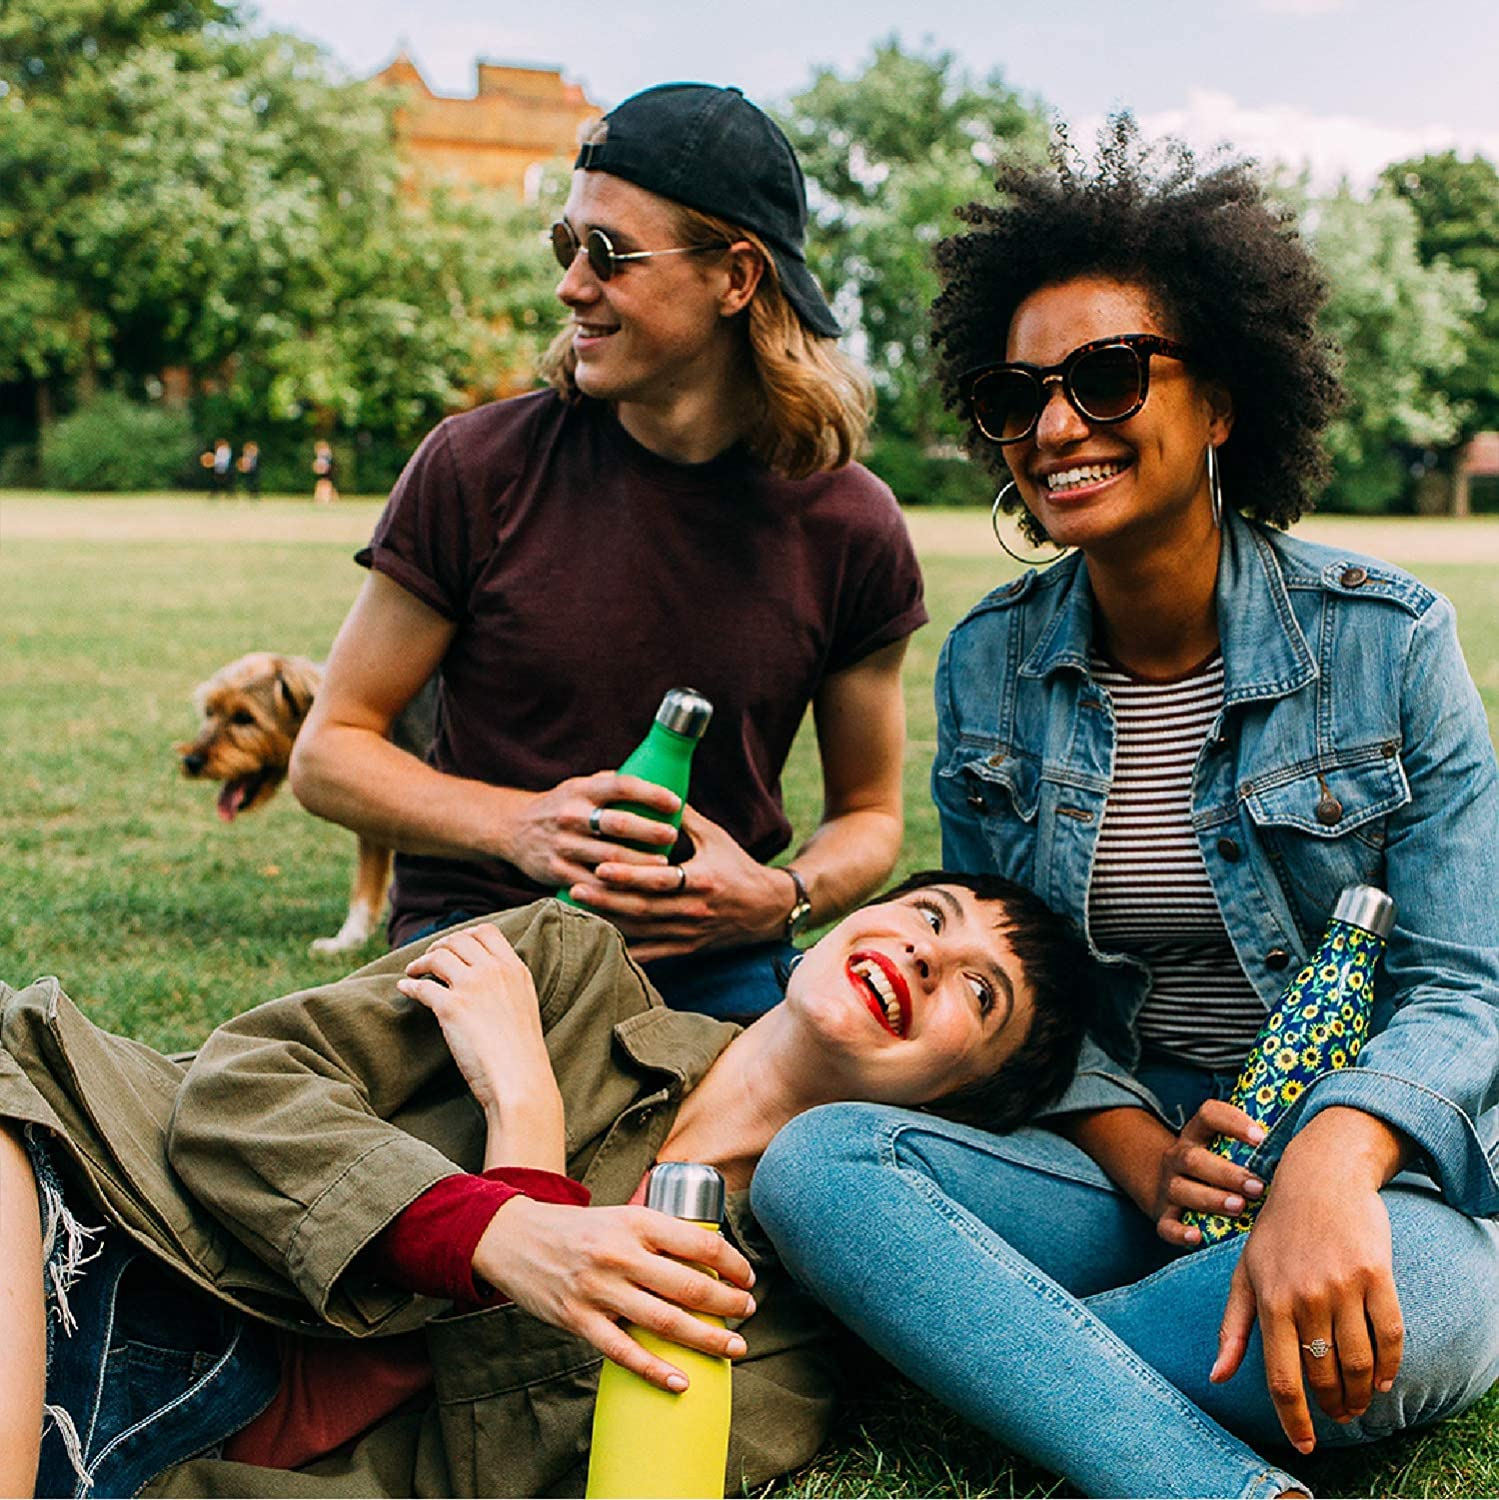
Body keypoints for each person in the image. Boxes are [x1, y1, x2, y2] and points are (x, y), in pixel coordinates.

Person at [752, 120, 1499, 1499]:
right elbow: (1015, 985)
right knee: (819, 1166)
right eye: (1014, 395)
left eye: (1102, 379)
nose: (1051, 430)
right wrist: (1135, 1148)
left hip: (1374, 1175)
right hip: (1122, 1168)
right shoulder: (990, 662)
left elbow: (1460, 986)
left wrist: (1331, 1162)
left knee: (1414, 1319)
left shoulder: (1387, 642)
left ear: (1218, 401)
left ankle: (985, 1358)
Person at [0, 872, 1090, 1497]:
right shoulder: (559, 968)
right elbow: (243, 1086)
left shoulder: (780, 1346)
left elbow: (526, 1487)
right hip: (98, 1214)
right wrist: (489, 1229)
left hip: (155, 1455)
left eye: (979, 995)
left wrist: (522, 1138)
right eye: (930, 912)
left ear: (954, 1112)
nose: (929, 954)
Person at [288, 82, 927, 1018]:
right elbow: (330, 751)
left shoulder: (850, 526)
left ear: (736, 279)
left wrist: (781, 896)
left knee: (775, 1163)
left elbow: (868, 815)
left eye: (609, 255)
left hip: (716, 970)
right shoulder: (478, 466)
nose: (570, 284)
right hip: (480, 946)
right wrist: (518, 826)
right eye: (566, 244)